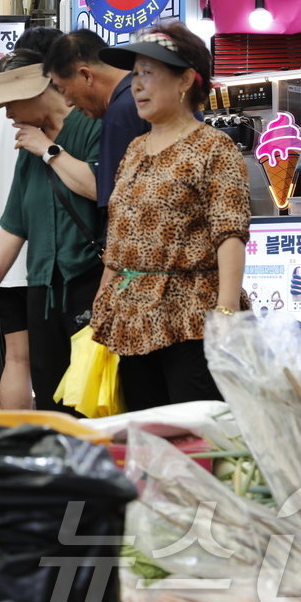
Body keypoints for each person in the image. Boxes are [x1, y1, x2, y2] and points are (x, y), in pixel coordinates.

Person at [90, 23, 250, 411]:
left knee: (195, 434)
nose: (137, 85)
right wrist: (102, 301)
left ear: (185, 80)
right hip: (132, 316)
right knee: (147, 435)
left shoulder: (214, 147)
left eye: (148, 73)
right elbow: (119, 234)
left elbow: (229, 232)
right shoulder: (134, 148)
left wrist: (226, 313)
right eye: (135, 73)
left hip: (194, 317)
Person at [0, 50, 102, 414]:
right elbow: (14, 222)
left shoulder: (91, 127)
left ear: (33, 93)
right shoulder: (27, 142)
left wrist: (49, 151)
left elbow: (102, 188)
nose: (7, 114)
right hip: (42, 281)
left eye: (10, 104)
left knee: (93, 386)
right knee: (48, 382)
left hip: (90, 280)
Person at [0, 27, 62, 409]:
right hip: (48, 259)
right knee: (53, 361)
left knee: (16, 358)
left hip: (3, 258)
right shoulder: (45, 119)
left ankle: (18, 440)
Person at [44, 29, 152, 219]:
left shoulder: (121, 113)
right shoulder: (139, 100)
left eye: (63, 90)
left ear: (86, 75)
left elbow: (117, 203)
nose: (68, 102)